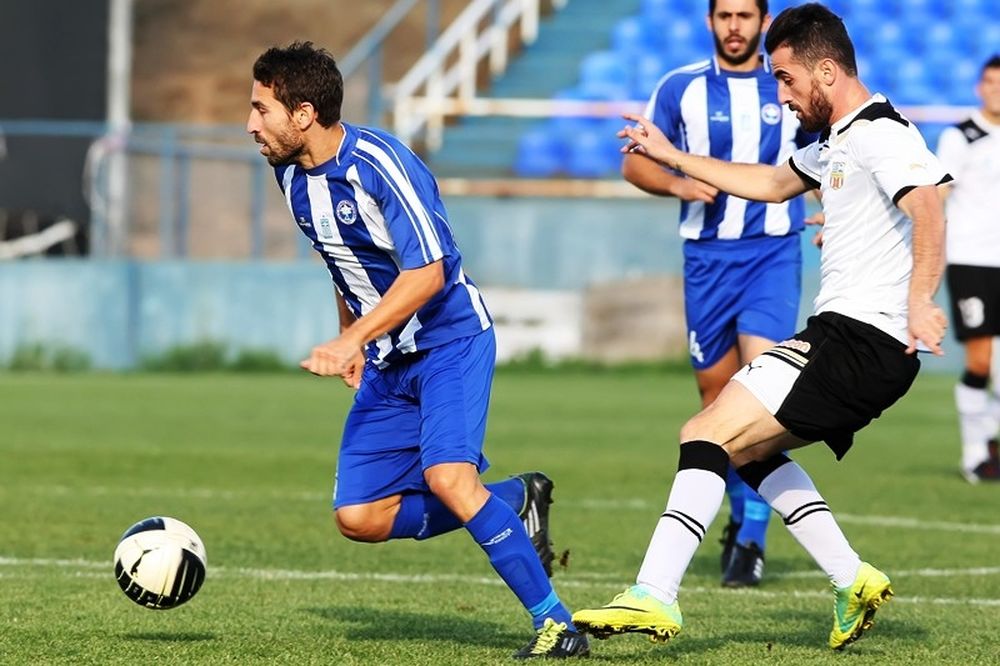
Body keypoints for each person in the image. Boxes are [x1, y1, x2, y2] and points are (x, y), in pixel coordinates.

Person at [573, 3, 950, 651]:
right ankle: (850, 578)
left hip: (861, 339)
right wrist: (673, 156)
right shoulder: (839, 139)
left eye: (786, 79)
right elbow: (773, 183)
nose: (780, 96)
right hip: (854, 341)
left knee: (705, 432)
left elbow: (930, 209)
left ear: (826, 71)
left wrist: (921, 299)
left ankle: (654, 595)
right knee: (748, 451)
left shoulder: (882, 133)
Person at [246, 42, 588, 660]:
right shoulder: (290, 176)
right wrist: (354, 336)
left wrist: (351, 337)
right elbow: (343, 262)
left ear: (302, 114)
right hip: (386, 361)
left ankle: (559, 626)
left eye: (261, 110)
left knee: (449, 478)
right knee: (359, 517)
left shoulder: (379, 164)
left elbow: (429, 271)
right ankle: (515, 498)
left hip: (450, 342)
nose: (251, 125)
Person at [626, 0, 813, 588]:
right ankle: (739, 516)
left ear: (763, 21)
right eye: (724, 15)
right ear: (710, 21)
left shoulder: (787, 84)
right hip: (707, 261)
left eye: (745, 15)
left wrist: (837, 207)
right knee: (717, 403)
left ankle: (752, 539)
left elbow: (827, 152)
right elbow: (635, 165)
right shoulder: (679, 88)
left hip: (773, 253)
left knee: (762, 390)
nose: (735, 26)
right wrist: (679, 182)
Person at [935, 54, 1000, 483]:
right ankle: (974, 454)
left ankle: (991, 434)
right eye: (990, 82)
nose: (996, 89)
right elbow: (938, 195)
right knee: (980, 359)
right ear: (979, 86)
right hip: (971, 259)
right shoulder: (960, 137)